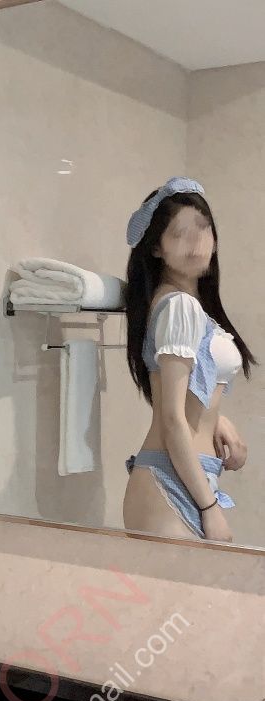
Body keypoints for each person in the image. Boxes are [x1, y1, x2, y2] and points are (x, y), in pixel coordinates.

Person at [122, 176, 257, 543]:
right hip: (171, 485)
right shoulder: (179, 306)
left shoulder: (187, 307)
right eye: (180, 234)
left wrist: (217, 419)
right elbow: (171, 419)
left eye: (203, 228)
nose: (196, 241)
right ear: (157, 248)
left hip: (182, 477)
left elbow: (184, 395)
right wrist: (210, 508)